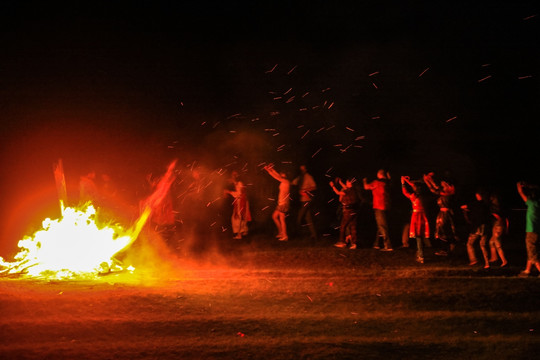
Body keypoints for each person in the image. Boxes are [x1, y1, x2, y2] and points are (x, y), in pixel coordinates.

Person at [424, 172, 457, 256]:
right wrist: (427, 181)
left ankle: (447, 248)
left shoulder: (449, 192)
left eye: (444, 184)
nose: (442, 184)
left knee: (444, 230)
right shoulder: (444, 192)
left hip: (446, 214)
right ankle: (446, 248)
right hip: (442, 214)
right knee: (441, 230)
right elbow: (433, 189)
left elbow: (436, 189)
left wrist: (430, 180)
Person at [401, 176, 430, 263]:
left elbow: (405, 192)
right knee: (420, 236)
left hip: (416, 216)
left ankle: (421, 255)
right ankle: (420, 253)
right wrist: (405, 181)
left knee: (418, 236)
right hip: (422, 216)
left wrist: (403, 183)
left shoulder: (414, 196)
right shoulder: (424, 197)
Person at [461, 189, 491, 268]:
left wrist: (464, 209)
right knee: (483, 245)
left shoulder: (476, 204)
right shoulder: (486, 204)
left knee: (469, 243)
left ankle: (473, 259)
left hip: (477, 227)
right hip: (485, 227)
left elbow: (464, 207)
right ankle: (487, 263)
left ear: (478, 195)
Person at [364, 169, 393, 251]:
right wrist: (389, 177)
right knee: (381, 225)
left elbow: (366, 187)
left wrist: (364, 181)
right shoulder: (388, 183)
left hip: (379, 206)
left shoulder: (377, 182)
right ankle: (376, 244)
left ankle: (388, 245)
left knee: (382, 226)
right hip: (387, 206)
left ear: (379, 174)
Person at [516, 181, 540, 277]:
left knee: (533, 253)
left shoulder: (531, 203)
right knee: (532, 251)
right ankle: (527, 270)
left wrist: (519, 185)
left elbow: (521, 192)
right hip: (538, 231)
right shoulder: (538, 203)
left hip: (531, 231)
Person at [330, 178, 359, 249]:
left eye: (347, 183)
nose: (346, 184)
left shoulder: (346, 191)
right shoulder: (353, 190)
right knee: (353, 227)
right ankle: (354, 243)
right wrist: (340, 182)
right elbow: (345, 187)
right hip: (354, 211)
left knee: (343, 226)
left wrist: (333, 186)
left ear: (349, 184)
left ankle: (342, 242)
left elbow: (338, 193)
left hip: (348, 211)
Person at [264, 164, 291, 241]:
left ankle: (285, 236)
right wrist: (271, 169)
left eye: (282, 173)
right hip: (281, 203)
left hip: (284, 203)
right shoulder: (283, 180)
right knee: (274, 216)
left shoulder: (286, 181)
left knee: (282, 219)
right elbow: (277, 175)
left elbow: (276, 177)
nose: (281, 174)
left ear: (285, 175)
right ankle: (281, 233)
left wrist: (268, 170)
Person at [292, 165, 318, 240]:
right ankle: (314, 235)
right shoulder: (300, 177)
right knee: (308, 218)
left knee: (299, 217)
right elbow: (293, 183)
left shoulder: (309, 177)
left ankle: (295, 234)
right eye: (301, 169)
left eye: (303, 169)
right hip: (302, 200)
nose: (302, 170)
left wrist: (305, 190)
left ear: (306, 169)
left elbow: (314, 187)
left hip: (307, 200)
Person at [224, 170, 252, 239]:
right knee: (240, 217)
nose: (233, 176)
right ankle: (244, 231)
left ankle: (239, 234)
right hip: (241, 201)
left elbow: (239, 194)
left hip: (241, 201)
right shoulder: (237, 183)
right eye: (232, 175)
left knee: (238, 217)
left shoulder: (240, 183)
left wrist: (229, 192)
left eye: (234, 175)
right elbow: (233, 182)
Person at [488, 192, 508, 267]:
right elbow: (505, 219)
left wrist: (500, 223)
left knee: (497, 244)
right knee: (491, 242)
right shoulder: (500, 207)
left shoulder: (495, 208)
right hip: (496, 226)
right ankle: (494, 258)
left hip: (497, 226)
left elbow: (499, 218)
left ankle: (504, 261)